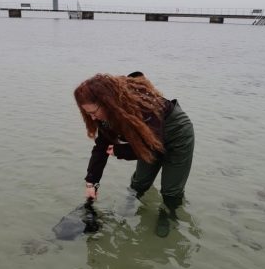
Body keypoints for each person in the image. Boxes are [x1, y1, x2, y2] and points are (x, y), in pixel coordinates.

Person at [73, 72, 195, 237]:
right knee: (139, 182)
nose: (92, 117)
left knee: (170, 190)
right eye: (88, 113)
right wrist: (91, 183)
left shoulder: (142, 106)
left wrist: (119, 151)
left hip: (176, 135)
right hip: (147, 138)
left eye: (94, 112)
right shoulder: (104, 117)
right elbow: (101, 147)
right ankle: (133, 201)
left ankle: (167, 214)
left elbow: (151, 147)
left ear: (107, 103)